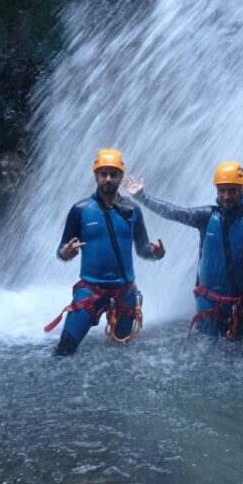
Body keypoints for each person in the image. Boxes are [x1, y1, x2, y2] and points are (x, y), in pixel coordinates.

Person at [123, 162, 243, 340]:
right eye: (222, 190)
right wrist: (142, 196)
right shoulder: (207, 216)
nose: (226, 196)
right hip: (210, 302)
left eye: (232, 190)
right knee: (209, 352)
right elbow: (174, 212)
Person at [46, 148, 165, 356]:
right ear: (96, 176)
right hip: (90, 290)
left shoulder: (132, 211)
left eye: (113, 174)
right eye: (103, 174)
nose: (108, 179)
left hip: (124, 291)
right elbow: (61, 251)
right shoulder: (80, 210)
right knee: (63, 351)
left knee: (121, 356)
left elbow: (143, 249)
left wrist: (156, 253)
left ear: (121, 176)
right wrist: (66, 252)